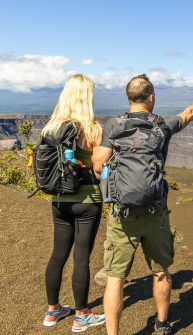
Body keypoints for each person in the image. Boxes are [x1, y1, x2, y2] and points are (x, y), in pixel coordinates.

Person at [92, 74, 193, 335]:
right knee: (161, 272)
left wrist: (116, 182)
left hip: (122, 215)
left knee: (115, 278)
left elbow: (98, 164)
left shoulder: (113, 125)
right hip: (155, 211)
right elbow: (188, 114)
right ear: (151, 98)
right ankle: (160, 325)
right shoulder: (163, 126)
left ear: (129, 97)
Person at [42, 74, 106, 332]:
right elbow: (99, 169)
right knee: (81, 259)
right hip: (87, 200)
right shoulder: (93, 129)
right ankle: (81, 316)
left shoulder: (51, 127)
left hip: (58, 199)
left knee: (58, 255)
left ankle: (52, 311)